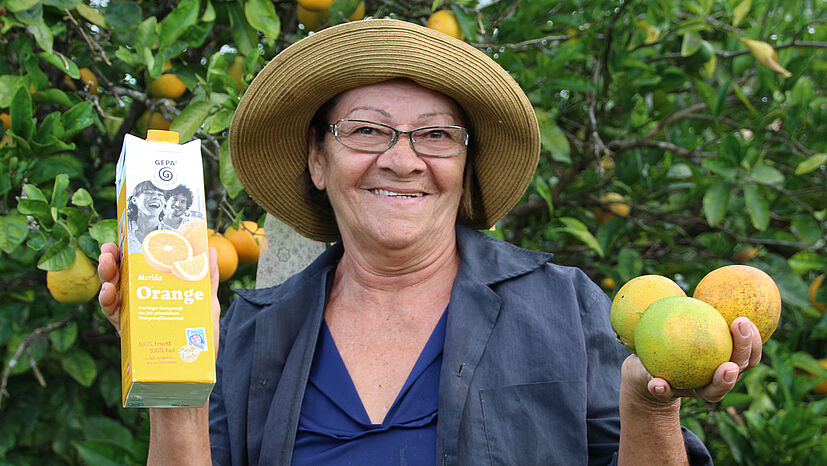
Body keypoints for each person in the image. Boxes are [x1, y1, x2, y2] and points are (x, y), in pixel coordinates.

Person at [98, 19, 763, 465]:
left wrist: (651, 405)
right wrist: (170, 368)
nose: (402, 159)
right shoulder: (247, 332)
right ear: (317, 162)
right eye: (365, 130)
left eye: (435, 135)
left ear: (463, 167)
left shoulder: (564, 307)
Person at [125, 180, 165, 251]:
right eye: (148, 193)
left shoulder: (172, 233)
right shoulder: (125, 230)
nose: (156, 197)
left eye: (160, 194)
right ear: (134, 200)